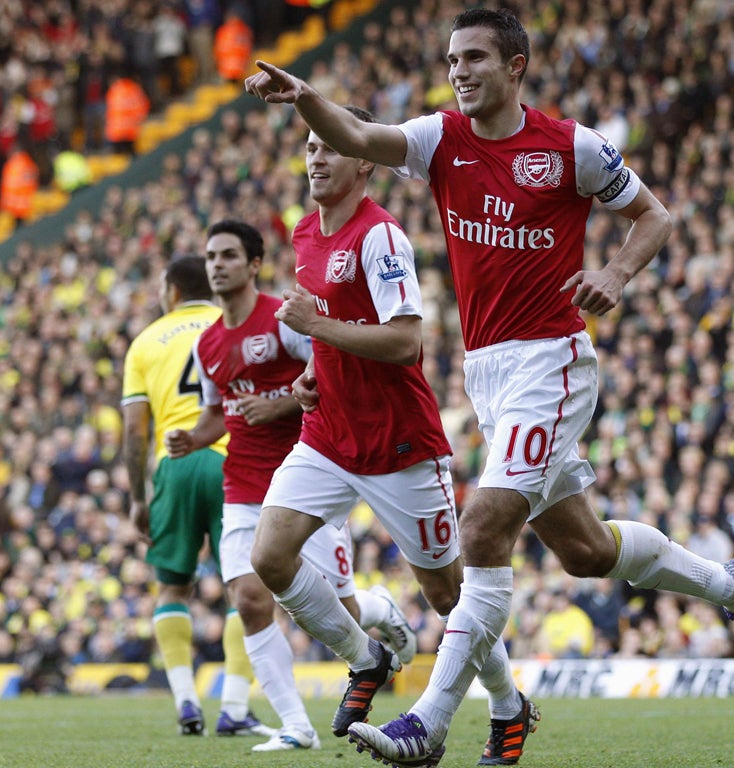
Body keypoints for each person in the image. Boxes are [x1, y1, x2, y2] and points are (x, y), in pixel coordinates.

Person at [245, 8, 734, 766]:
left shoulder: (570, 147)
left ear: (515, 66)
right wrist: (305, 95)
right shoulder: (440, 139)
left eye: (473, 58)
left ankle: (430, 722)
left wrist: (615, 272)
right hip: (489, 372)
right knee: (586, 550)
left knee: (484, 529)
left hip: (552, 362)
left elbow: (653, 215)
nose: (458, 71)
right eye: (450, 60)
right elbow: (362, 138)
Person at [245, 105, 530, 765]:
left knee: (449, 594)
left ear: (364, 162)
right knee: (270, 556)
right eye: (310, 147)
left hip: (399, 446)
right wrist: (314, 372)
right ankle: (367, 655)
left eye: (330, 148)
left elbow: (405, 343)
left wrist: (316, 334)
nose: (316, 158)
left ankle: (509, 707)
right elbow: (330, 322)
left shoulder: (382, 237)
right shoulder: (305, 233)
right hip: (327, 435)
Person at [164, 219, 418, 752]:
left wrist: (278, 404)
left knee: (341, 612)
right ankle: (296, 727)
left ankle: (376, 611)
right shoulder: (208, 343)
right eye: (211, 256)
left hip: (305, 478)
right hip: (240, 485)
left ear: (254, 264)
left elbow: (332, 372)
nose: (217, 265)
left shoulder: (283, 319)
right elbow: (221, 415)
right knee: (251, 599)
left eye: (229, 255)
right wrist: (193, 437)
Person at [121, 255, 272, 737]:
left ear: (170, 290)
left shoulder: (145, 341)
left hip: (176, 460)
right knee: (244, 588)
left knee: (173, 587)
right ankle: (233, 706)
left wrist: (138, 496)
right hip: (234, 458)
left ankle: (187, 703)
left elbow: (132, 431)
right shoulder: (229, 321)